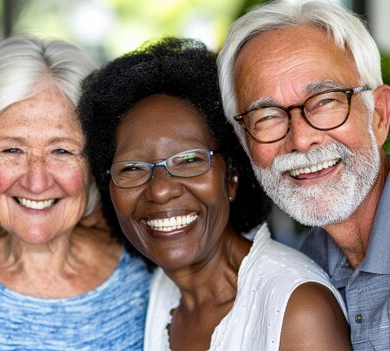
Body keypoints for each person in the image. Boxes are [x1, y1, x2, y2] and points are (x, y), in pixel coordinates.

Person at [78, 37, 351, 350]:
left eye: (190, 160)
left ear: (232, 176)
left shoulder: (297, 310)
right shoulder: (162, 294)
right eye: (132, 169)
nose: (161, 190)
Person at [0, 34, 152, 350]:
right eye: (12, 149)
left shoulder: (149, 272)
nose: (36, 182)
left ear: (93, 161)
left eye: (62, 151)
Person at [217, 0, 390, 348]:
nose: (301, 140)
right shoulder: (305, 269)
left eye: (324, 101)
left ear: (379, 115)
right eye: (268, 117)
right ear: (246, 146)